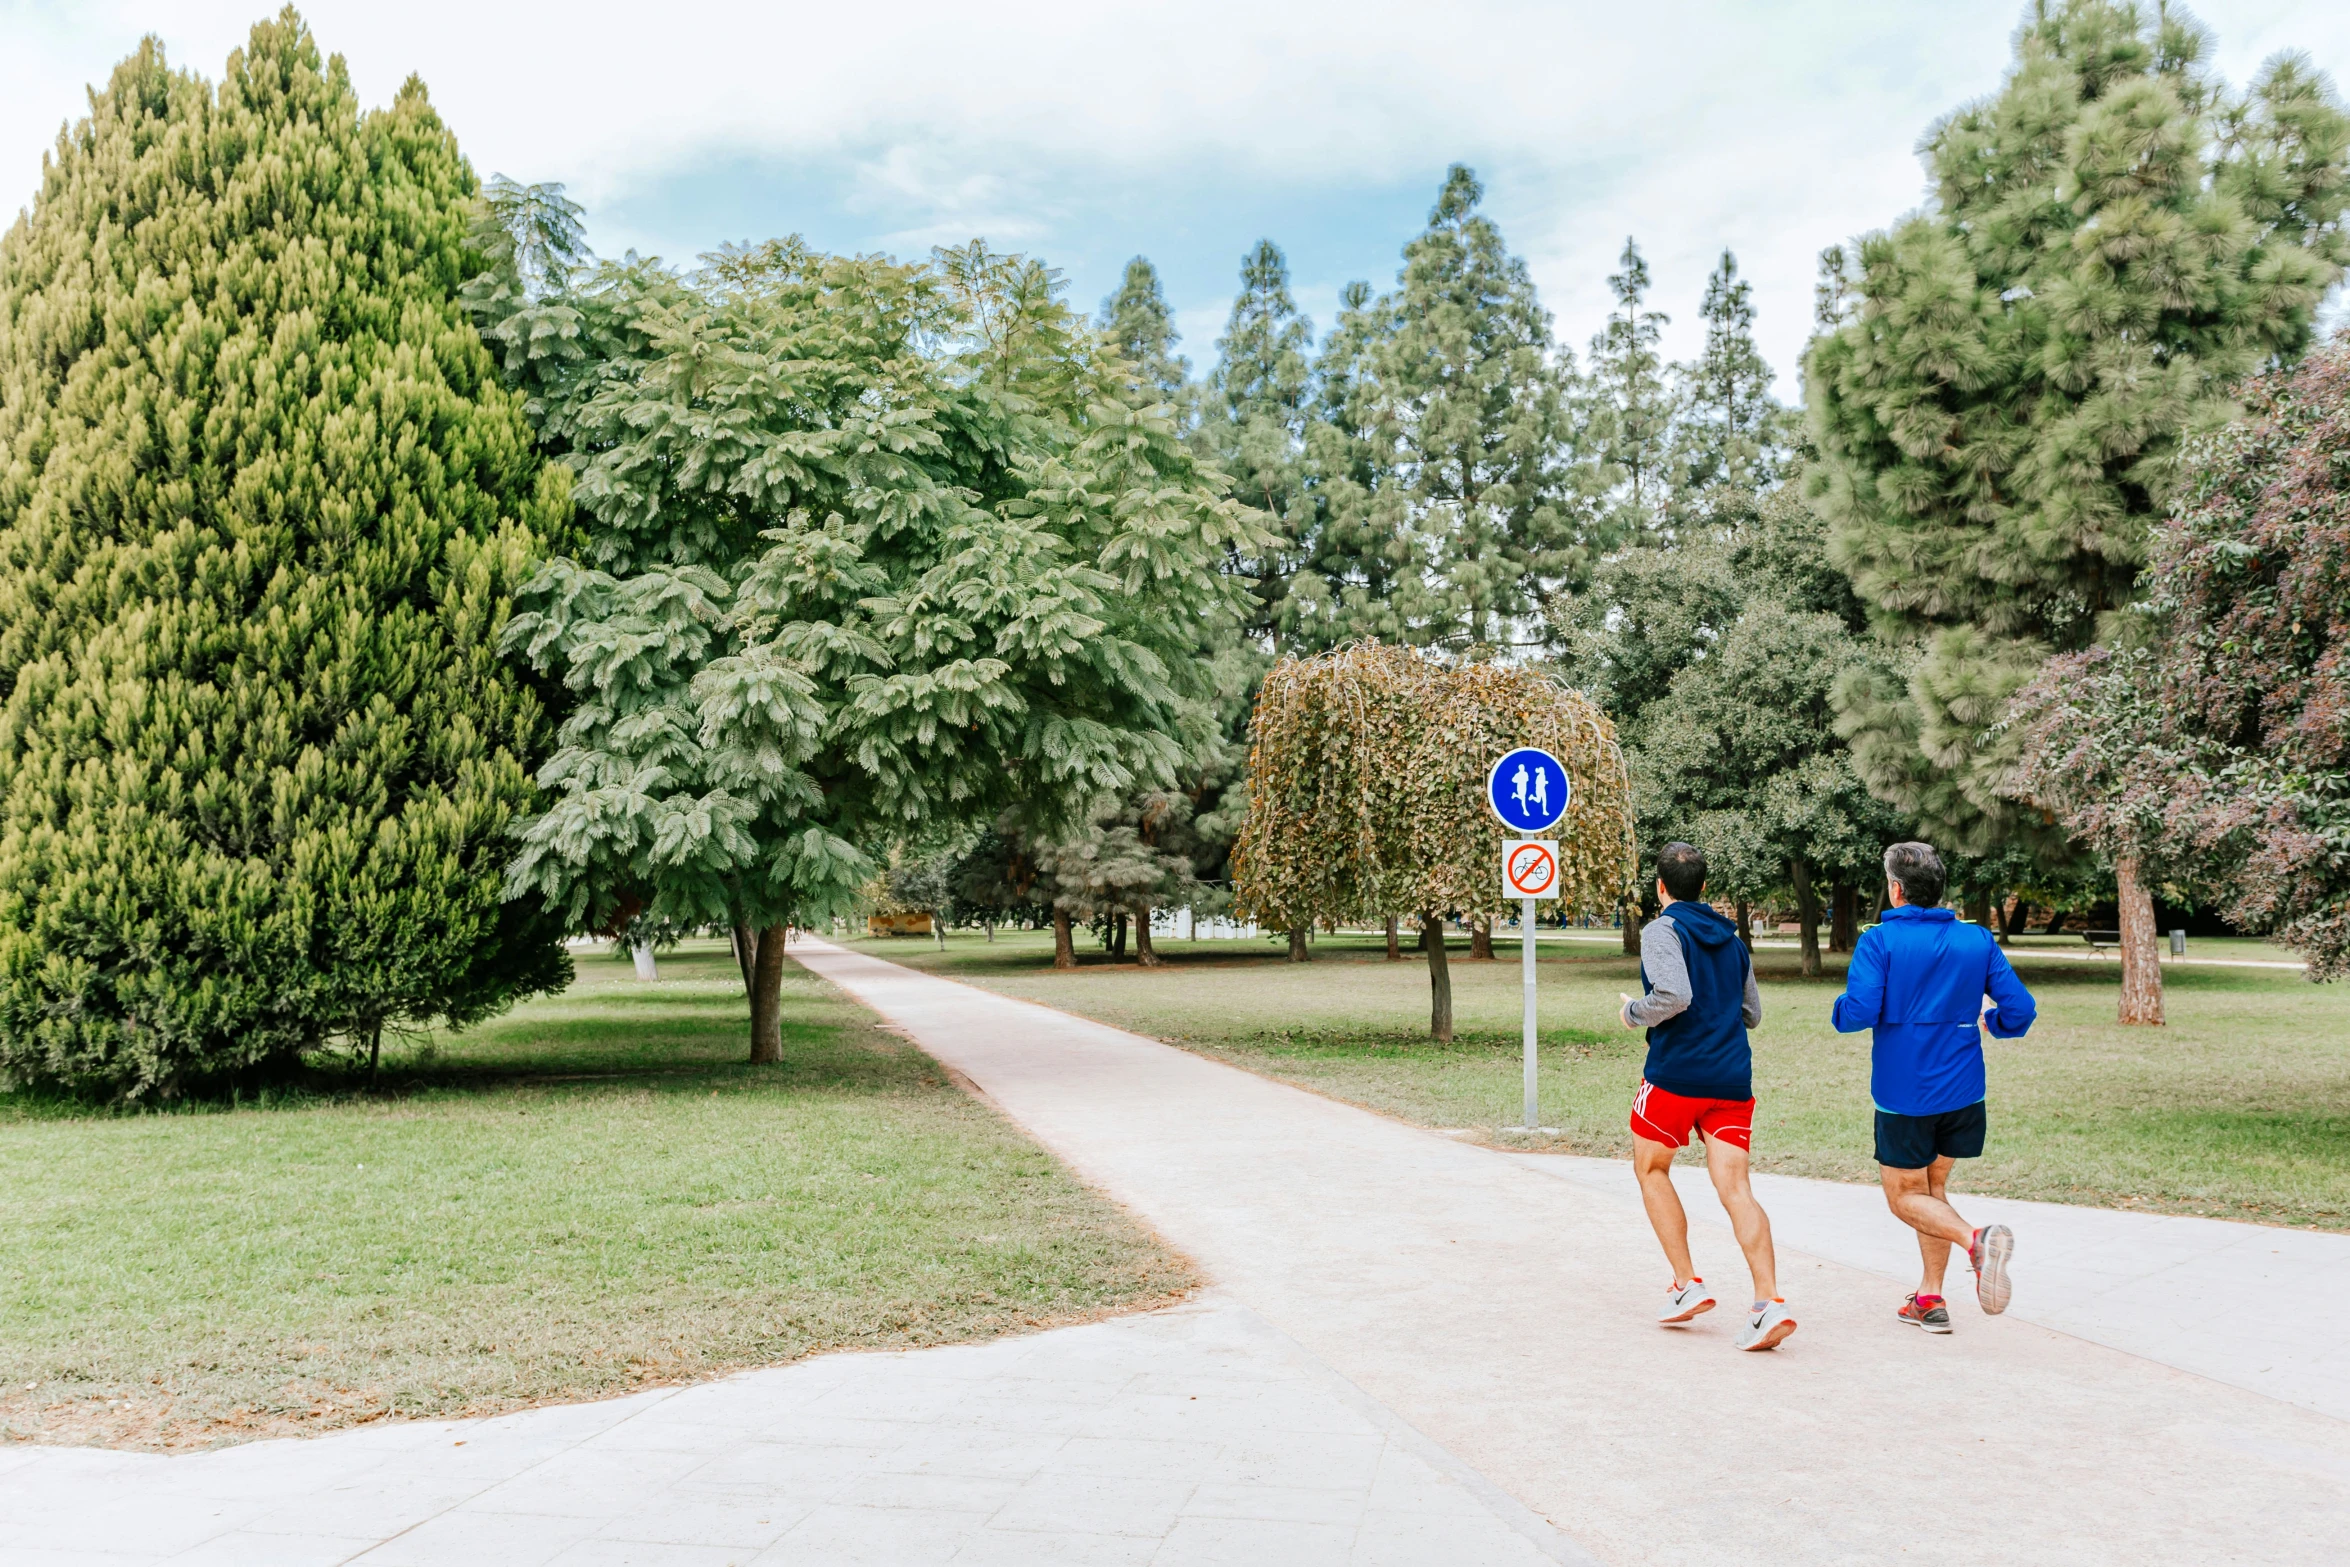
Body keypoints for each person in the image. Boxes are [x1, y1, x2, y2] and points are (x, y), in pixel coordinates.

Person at [1831, 842, 2036, 1331]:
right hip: (1964, 1092)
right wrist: (1994, 1022)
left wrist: (1841, 1009)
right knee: (1933, 1188)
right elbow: (2021, 1010)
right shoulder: (1977, 939)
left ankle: (1976, 1240)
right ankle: (1930, 1298)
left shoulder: (1879, 941)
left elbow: (1855, 1014)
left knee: (1904, 1197)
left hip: (1905, 1095)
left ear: (1896, 889)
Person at [1618, 841, 1793, 1352]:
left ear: (1661, 887)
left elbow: (1674, 996)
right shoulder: (1733, 941)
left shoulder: (1661, 929)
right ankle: (1768, 1303)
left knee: (1651, 1169)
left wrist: (1632, 1013)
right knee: (1737, 1188)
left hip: (1676, 1075)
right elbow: (1751, 1014)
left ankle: (1686, 1284)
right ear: (1705, 886)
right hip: (1731, 1078)